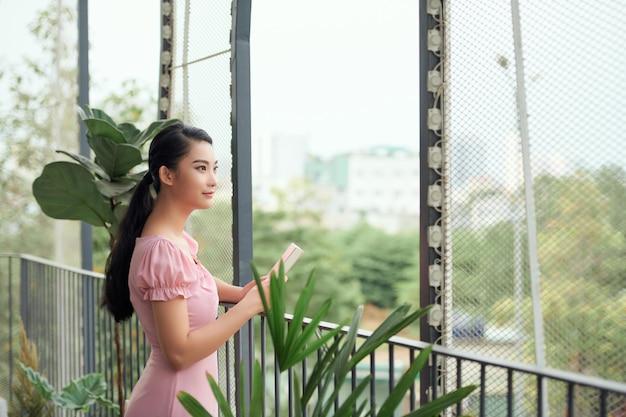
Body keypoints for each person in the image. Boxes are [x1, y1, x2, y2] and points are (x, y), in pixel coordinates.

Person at [101, 123, 271, 417]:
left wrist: (241, 294)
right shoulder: (163, 250)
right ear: (167, 175)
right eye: (201, 168)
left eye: (214, 168)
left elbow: (194, 280)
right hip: (171, 404)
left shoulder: (175, 242)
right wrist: (246, 309)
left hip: (184, 401)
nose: (213, 180)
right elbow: (179, 354)